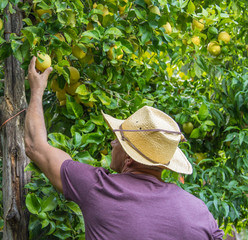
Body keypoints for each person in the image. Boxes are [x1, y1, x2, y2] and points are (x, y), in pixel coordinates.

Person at [24, 56, 224, 240]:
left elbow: (35, 145)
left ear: (129, 159)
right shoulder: (198, 211)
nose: (112, 143)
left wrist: (37, 89)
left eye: (118, 141)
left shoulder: (99, 188)